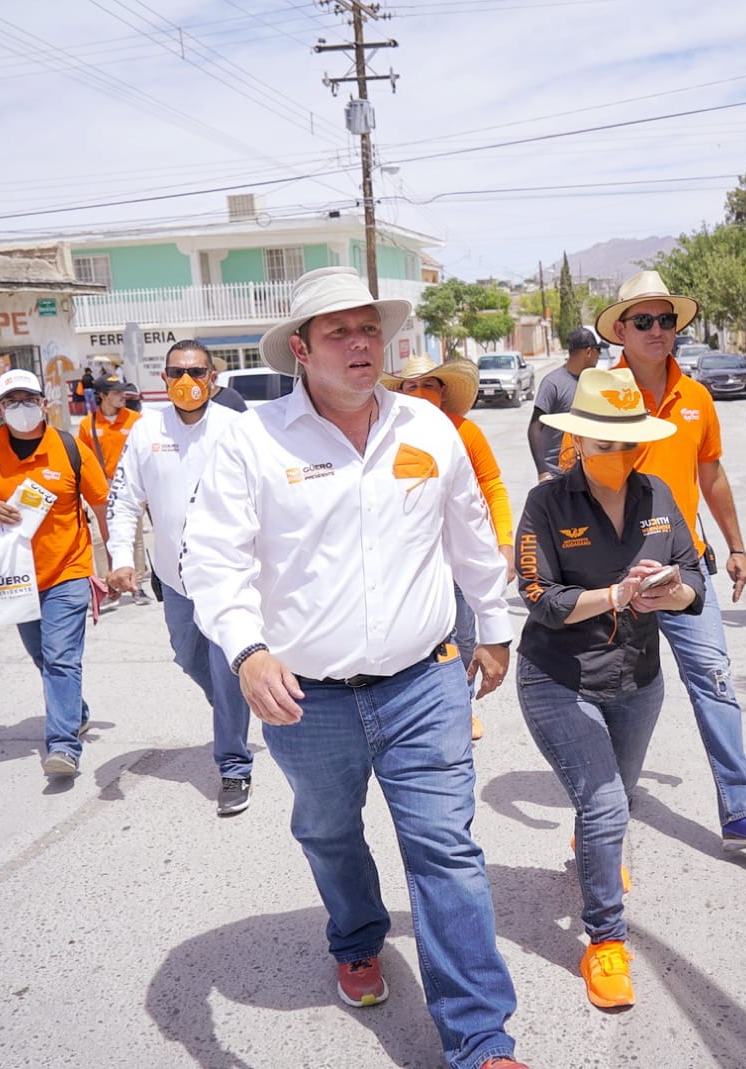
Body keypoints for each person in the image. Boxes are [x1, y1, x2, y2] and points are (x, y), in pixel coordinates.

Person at [180, 267, 528, 1069]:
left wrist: (494, 625)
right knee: (329, 831)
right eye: (338, 331)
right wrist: (247, 650)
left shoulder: (427, 428)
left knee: (445, 848)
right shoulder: (251, 438)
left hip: (425, 681)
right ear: (301, 349)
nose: (361, 342)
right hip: (308, 699)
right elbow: (212, 559)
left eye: (369, 327)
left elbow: (471, 534)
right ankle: (358, 937)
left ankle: (482, 1039)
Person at [517, 367, 703, 1010]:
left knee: (615, 800)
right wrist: (615, 595)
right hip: (559, 679)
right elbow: (540, 599)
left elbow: (693, 578)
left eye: (629, 444)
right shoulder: (547, 503)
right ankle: (605, 941)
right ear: (576, 441)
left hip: (637, 679)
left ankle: (593, 850)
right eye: (604, 444)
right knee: (603, 805)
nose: (618, 456)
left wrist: (668, 593)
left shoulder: (657, 494)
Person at [598, 269, 746, 851]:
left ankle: (741, 811)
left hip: (687, 568)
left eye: (666, 320)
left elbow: (710, 474)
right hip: (618, 576)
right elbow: (575, 481)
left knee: (714, 679)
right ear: (621, 331)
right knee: (628, 697)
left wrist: (736, 546)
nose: (657, 329)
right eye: (643, 320)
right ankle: (608, 806)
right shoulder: (601, 395)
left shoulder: (697, 397)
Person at [105, 341, 256, 815]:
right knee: (189, 658)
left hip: (229, 576)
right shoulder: (146, 430)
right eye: (176, 372)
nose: (186, 381)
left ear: (213, 378)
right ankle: (239, 702)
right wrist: (121, 558)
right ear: (164, 378)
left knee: (225, 667)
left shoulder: (238, 428)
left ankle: (234, 765)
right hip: (175, 578)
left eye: (196, 372)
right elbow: (124, 498)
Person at [0, 369, 109, 778]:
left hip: (68, 570)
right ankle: (75, 711)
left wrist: (115, 561)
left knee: (60, 657)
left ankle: (63, 747)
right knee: (43, 656)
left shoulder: (69, 449)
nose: (20, 407)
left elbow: (102, 504)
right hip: (15, 578)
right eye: (11, 401)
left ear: (44, 403)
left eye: (28, 399)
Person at [381, 354, 515, 742]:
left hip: (462, 553)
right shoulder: (386, 435)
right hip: (414, 558)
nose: (421, 393)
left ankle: (462, 706)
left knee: (465, 636)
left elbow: (492, 487)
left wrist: (504, 543)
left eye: (429, 385)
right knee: (421, 637)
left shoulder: (465, 431)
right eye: (411, 386)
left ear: (443, 392)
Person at [79, 373, 149, 604]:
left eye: (123, 391)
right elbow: (83, 459)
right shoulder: (87, 424)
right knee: (100, 539)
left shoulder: (135, 421)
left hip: (129, 486)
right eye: (117, 392)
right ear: (102, 395)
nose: (123, 396)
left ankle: (136, 584)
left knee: (134, 537)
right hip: (99, 488)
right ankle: (106, 586)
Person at [529, 328, 605, 480]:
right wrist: (543, 472)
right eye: (598, 351)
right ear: (588, 352)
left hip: (587, 473)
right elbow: (535, 427)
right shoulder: (553, 383)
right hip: (557, 474)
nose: (599, 357)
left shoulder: (593, 382)